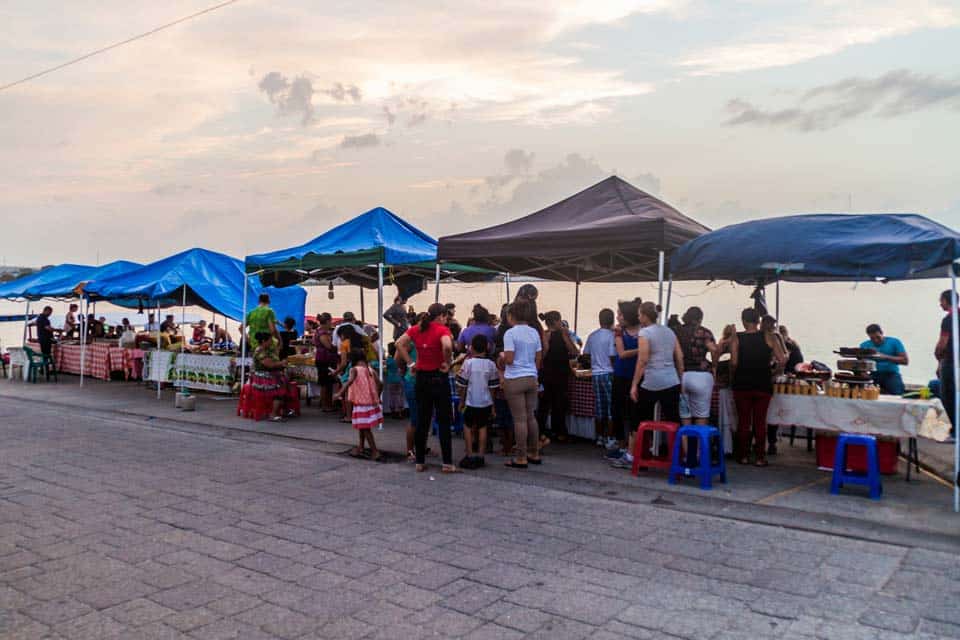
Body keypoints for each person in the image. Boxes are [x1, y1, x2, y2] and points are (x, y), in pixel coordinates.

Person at [396, 303, 459, 473]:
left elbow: (399, 343)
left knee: (423, 421)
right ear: (441, 316)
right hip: (439, 377)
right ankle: (447, 463)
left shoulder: (416, 329)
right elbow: (447, 345)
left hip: (421, 378)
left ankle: (420, 462)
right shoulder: (442, 330)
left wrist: (411, 363)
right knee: (443, 420)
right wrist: (446, 362)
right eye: (446, 316)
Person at [730, 308, 787, 466]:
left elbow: (733, 362)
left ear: (743, 320)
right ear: (758, 321)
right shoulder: (769, 336)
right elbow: (782, 359)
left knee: (743, 421)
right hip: (763, 383)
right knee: (760, 421)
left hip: (742, 384)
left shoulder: (737, 338)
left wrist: (732, 374)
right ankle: (760, 457)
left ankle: (743, 456)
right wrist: (773, 371)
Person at [629, 303, 683, 458]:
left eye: (639, 315)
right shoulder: (670, 331)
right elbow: (679, 357)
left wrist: (634, 385)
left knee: (639, 420)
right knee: (674, 420)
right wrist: (681, 377)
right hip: (672, 381)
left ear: (645, 316)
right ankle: (678, 458)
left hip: (652, 382)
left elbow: (643, 360)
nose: (638, 318)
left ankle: (638, 456)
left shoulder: (645, 333)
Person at [501, 299, 542, 469]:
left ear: (512, 316)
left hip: (514, 378)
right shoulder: (534, 332)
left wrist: (502, 356)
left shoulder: (510, 334)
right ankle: (534, 452)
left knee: (519, 419)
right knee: (531, 417)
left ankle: (521, 457)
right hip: (531, 377)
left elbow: (509, 359)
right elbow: (539, 358)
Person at [456, 334, 499, 469]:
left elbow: (462, 385)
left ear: (472, 348)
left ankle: (469, 454)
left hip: (470, 401)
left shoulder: (468, 363)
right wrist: (492, 406)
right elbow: (493, 387)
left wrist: (461, 401)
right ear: (487, 347)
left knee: (468, 427)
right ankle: (481, 455)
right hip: (485, 402)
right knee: (483, 427)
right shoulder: (491, 365)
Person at [335, 349, 384, 461]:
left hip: (362, 404)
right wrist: (377, 396)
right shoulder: (371, 369)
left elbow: (349, 381)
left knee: (365, 428)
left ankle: (375, 451)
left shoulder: (354, 369)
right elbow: (381, 384)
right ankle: (361, 447)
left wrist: (339, 393)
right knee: (362, 426)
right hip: (371, 403)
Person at [539, 311, 579, 441]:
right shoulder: (562, 335)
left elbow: (541, 355)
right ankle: (559, 432)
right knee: (558, 404)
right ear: (557, 321)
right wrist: (565, 335)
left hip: (547, 373)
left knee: (545, 404)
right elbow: (574, 352)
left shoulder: (544, 335)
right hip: (560, 373)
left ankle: (542, 431)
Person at [610, 298, 642, 457]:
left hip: (637, 376)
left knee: (634, 413)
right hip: (621, 375)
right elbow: (622, 354)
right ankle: (621, 444)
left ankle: (633, 446)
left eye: (620, 315)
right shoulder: (618, 331)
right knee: (617, 411)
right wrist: (642, 350)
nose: (618, 317)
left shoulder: (644, 330)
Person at [675, 307, 717, 426]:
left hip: (682, 376)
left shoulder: (677, 331)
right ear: (700, 319)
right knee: (701, 415)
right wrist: (714, 366)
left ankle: (685, 444)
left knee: (685, 414)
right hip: (702, 376)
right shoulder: (704, 332)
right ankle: (700, 444)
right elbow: (714, 350)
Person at [583, 309, 618, 448]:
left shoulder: (592, 336)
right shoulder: (612, 335)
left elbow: (585, 354)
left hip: (596, 374)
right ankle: (610, 438)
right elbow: (612, 355)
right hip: (609, 372)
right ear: (612, 320)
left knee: (599, 407)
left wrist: (594, 361)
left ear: (599, 319)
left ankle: (599, 437)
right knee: (610, 408)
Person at [250, 332, 289, 422]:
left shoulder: (266, 350)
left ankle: (284, 409)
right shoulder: (260, 351)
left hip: (267, 375)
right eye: (270, 341)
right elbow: (269, 365)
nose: (271, 343)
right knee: (279, 388)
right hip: (262, 378)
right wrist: (281, 363)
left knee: (285, 381)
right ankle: (273, 414)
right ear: (264, 341)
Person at [860, 324, 908, 396]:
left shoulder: (894, 342)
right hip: (874, 375)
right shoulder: (864, 345)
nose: (876, 340)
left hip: (891, 374)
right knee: (863, 392)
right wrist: (863, 373)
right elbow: (861, 364)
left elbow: (905, 361)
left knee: (898, 394)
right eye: (872, 338)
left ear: (882, 333)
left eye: (878, 337)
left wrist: (885, 357)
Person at [935, 290, 957, 439]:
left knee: (948, 397)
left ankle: (954, 430)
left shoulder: (949, 319)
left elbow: (943, 344)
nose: (940, 304)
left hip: (951, 362)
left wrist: (937, 357)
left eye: (941, 300)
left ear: (947, 300)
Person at [312, 313, 339, 412]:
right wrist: (338, 348)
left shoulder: (321, 331)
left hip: (325, 359)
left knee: (329, 383)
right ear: (327, 321)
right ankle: (325, 405)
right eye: (330, 321)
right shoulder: (322, 333)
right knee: (325, 383)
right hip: (324, 360)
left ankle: (328, 404)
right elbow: (328, 346)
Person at [383, 343, 406, 419]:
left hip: (391, 380)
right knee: (399, 395)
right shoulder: (400, 358)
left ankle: (393, 411)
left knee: (392, 395)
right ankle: (400, 412)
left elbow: (385, 369)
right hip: (399, 379)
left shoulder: (389, 360)